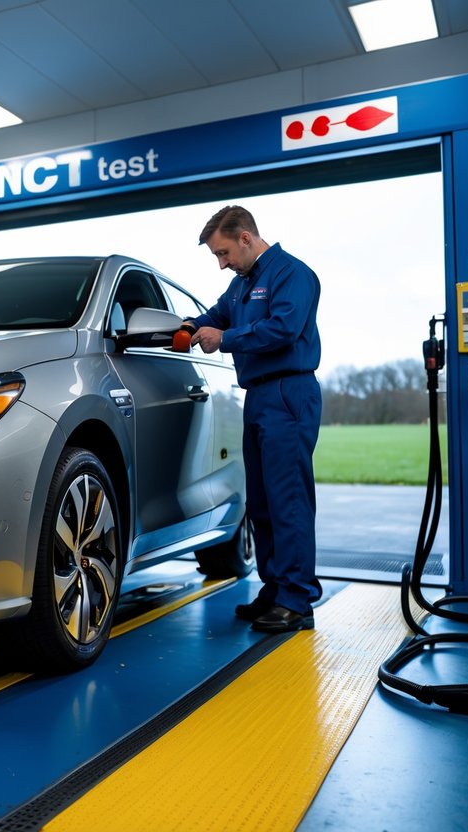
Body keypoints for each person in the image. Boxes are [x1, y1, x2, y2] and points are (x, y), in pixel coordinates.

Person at [186, 205, 323, 632]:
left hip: (289, 391)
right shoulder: (241, 286)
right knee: (261, 502)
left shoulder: (291, 274)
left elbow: (283, 328)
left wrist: (224, 339)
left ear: (246, 237)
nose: (222, 263)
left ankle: (297, 600)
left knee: (288, 500)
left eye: (224, 253)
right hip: (259, 396)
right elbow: (216, 315)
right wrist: (189, 325)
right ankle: (275, 588)